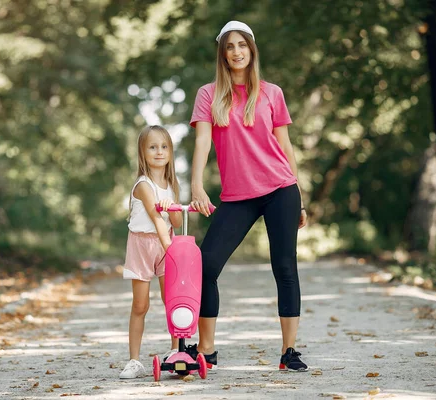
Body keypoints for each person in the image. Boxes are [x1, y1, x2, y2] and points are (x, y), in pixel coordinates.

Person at [187, 21, 309, 372]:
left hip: (280, 189)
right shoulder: (208, 94)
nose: (237, 51)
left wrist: (298, 196)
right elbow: (203, 141)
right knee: (206, 265)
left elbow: (285, 147)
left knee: (284, 265)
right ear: (222, 53)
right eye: (230, 46)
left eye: (242, 45)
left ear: (251, 50)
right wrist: (196, 185)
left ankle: (289, 351)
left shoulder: (272, 93)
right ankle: (206, 350)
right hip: (238, 195)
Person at [119, 125, 183, 379]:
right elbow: (157, 220)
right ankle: (134, 360)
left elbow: (175, 222)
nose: (159, 152)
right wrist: (174, 251)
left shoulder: (172, 183)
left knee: (173, 302)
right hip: (143, 245)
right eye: (153, 147)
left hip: (166, 242)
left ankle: (175, 351)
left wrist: (173, 207)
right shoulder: (143, 185)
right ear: (143, 153)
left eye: (164, 147)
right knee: (140, 305)